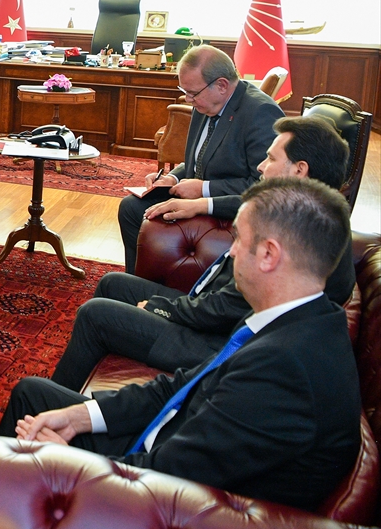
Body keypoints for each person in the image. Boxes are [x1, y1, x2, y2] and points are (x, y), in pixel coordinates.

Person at [0, 178, 359, 514]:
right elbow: (180, 386)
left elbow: (173, 479)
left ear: (269, 254)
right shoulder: (296, 319)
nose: (231, 253)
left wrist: (70, 463)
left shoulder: (284, 370)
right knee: (33, 395)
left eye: (238, 240)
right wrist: (79, 415)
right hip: (162, 445)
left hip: (167, 504)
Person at [51, 115, 354, 390]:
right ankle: (82, 376)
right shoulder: (307, 214)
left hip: (216, 344)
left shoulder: (294, 237)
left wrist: (159, 308)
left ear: (299, 170)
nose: (261, 167)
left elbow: (224, 310)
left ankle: (55, 408)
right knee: (112, 284)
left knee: (95, 315)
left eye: (271, 158)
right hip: (211, 312)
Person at [118, 44, 283, 274]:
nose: (188, 99)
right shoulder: (206, 103)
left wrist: (203, 189)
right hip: (194, 193)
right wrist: (173, 179)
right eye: (185, 91)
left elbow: (263, 187)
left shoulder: (260, 113)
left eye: (193, 93)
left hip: (226, 206)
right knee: (131, 208)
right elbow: (201, 158)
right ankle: (139, 280)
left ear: (222, 85)